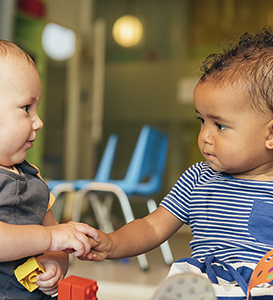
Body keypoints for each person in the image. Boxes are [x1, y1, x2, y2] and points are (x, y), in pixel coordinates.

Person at [87, 28, 273, 299]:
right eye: (202, 121)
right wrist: (113, 243)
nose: (205, 137)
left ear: (270, 135)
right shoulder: (198, 178)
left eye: (220, 125)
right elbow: (152, 227)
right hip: (202, 287)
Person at [0, 33, 99, 300]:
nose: (38, 121)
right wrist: (51, 238)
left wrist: (55, 263)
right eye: (26, 108)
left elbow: (55, 242)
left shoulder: (32, 177)